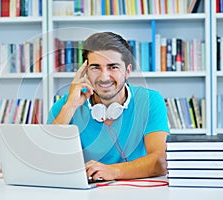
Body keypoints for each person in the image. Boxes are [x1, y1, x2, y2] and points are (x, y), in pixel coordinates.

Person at [47, 32, 170, 181]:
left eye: (113, 67)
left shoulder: (150, 100)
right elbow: (46, 159)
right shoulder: (66, 105)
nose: (104, 77)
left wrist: (113, 171)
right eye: (95, 68)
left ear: (127, 71)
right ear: (84, 72)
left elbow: (160, 162)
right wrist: (70, 107)